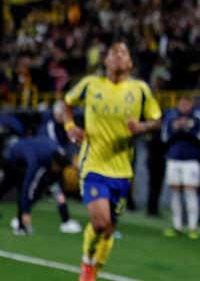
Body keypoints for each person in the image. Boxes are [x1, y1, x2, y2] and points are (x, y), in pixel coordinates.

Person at [63, 39, 163, 281]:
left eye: (123, 53)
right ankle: (87, 266)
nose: (118, 55)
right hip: (93, 164)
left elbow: (157, 121)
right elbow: (66, 103)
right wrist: (69, 126)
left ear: (129, 62)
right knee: (100, 222)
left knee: (108, 229)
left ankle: (95, 268)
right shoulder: (90, 85)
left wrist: (142, 127)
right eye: (113, 52)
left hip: (122, 170)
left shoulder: (140, 90)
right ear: (106, 61)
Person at [0, 135, 73, 235]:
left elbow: (57, 187)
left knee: (52, 188)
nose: (59, 171)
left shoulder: (57, 157)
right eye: (59, 168)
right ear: (54, 163)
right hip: (12, 160)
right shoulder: (35, 160)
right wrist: (25, 211)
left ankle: (66, 220)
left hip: (26, 160)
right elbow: (28, 185)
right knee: (11, 186)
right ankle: (21, 223)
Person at [161, 96, 200, 238]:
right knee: (175, 192)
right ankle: (177, 226)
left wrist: (187, 129)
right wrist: (176, 129)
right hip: (174, 159)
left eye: (186, 104)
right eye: (181, 104)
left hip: (191, 161)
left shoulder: (198, 117)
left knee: (190, 192)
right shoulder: (171, 116)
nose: (184, 106)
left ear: (191, 105)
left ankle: (192, 227)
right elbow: (164, 138)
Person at [43, 100, 83, 233]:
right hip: (45, 164)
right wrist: (71, 161)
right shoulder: (50, 125)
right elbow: (53, 146)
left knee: (51, 191)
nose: (64, 117)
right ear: (56, 113)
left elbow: (69, 144)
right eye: (63, 114)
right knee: (56, 191)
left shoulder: (64, 126)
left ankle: (65, 220)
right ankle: (65, 221)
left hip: (56, 165)